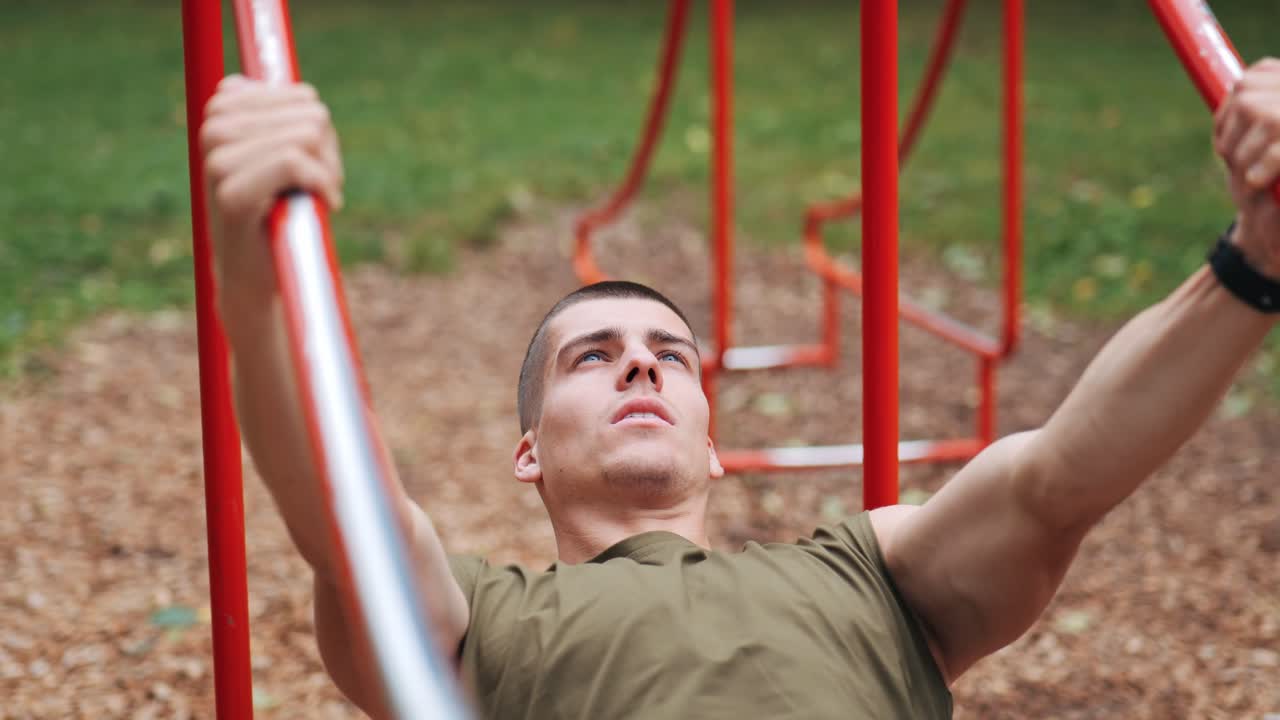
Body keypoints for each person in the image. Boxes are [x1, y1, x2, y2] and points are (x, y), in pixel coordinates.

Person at [199, 58, 1280, 719]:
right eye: (593, 355)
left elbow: (1060, 477)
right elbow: (346, 524)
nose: (640, 364)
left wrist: (1254, 257)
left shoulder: (869, 575)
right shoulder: (481, 623)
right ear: (526, 450)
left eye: (671, 356)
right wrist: (253, 289)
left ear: (713, 446)